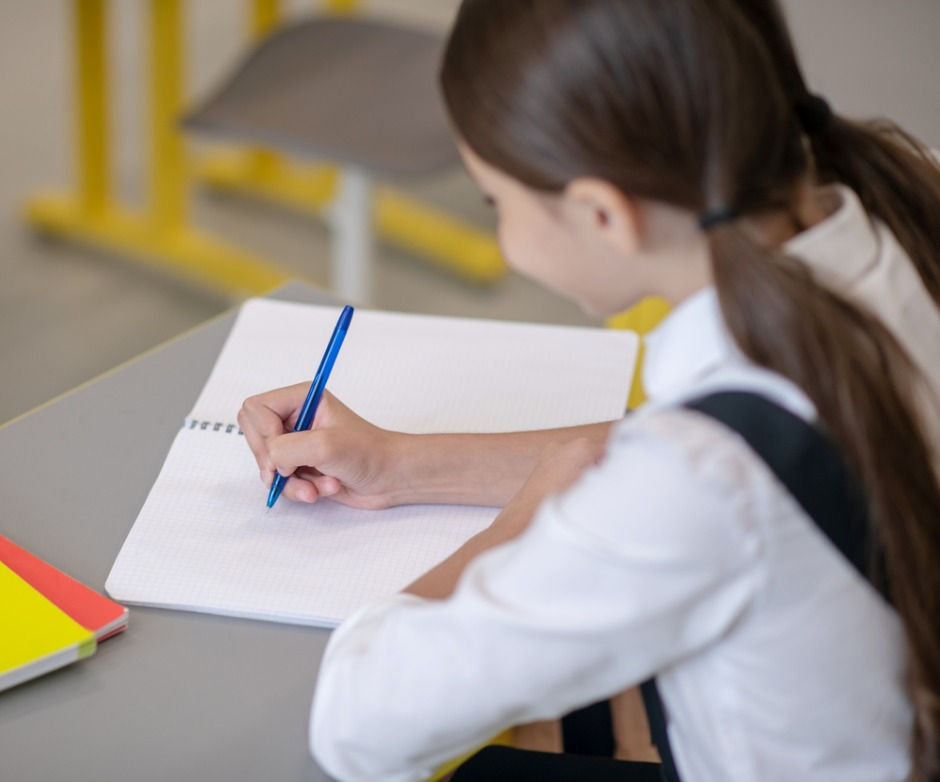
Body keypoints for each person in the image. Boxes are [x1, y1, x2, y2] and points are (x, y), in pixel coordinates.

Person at [236, 1, 940, 780]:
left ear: (604, 213)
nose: (504, 236)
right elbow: (719, 447)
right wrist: (400, 462)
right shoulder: (906, 202)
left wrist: (515, 528)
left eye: (496, 204)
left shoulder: (696, 478)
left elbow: (360, 721)